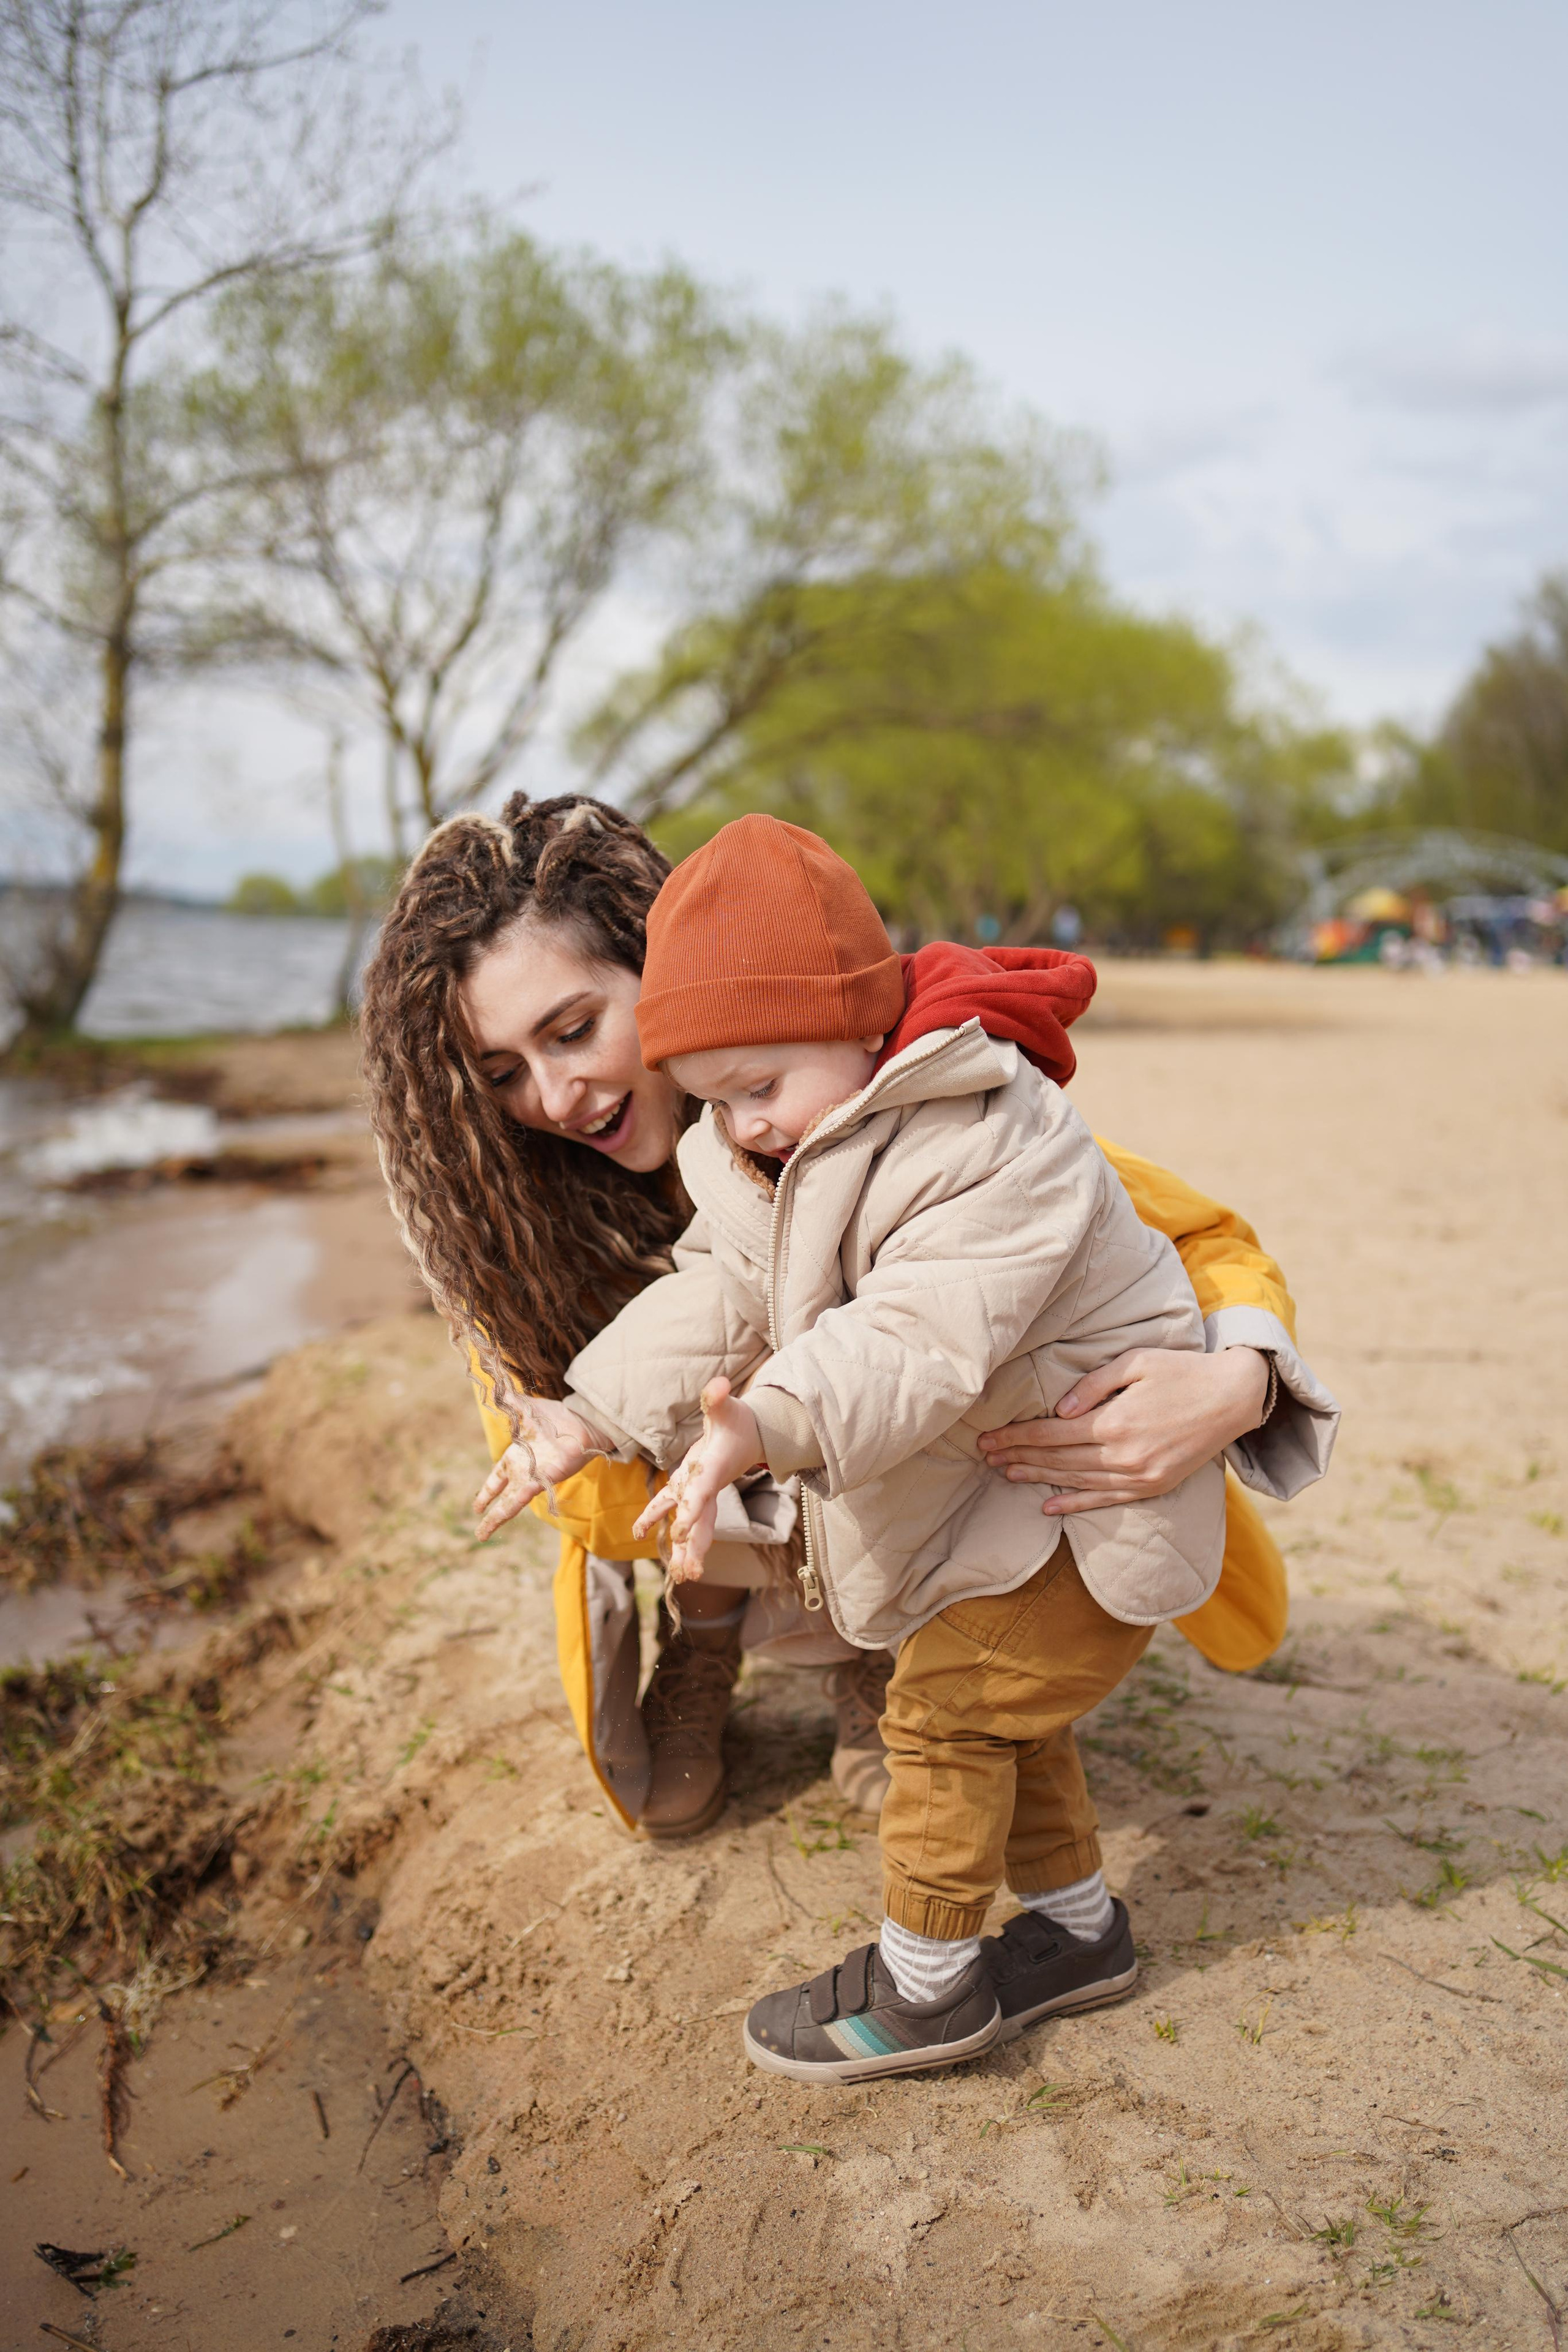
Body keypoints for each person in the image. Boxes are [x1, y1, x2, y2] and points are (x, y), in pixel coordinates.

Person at [467, 815, 1338, 2084]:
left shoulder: (984, 1127)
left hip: (1073, 1511)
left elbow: (916, 1332)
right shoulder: (756, 1120)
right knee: (1009, 1727)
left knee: (945, 1720)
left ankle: (927, 1985)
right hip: (979, 1513)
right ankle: (1076, 1933)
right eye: (499, 1069)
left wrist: (1238, 1379)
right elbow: (720, 1286)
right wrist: (584, 1413)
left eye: (572, 1029)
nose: (557, 1094)